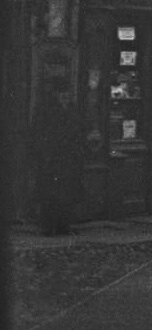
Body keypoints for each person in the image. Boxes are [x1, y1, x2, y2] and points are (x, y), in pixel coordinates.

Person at [34, 85, 87, 235]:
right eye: (62, 93)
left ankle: (64, 225)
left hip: (69, 159)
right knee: (50, 196)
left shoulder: (73, 111)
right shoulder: (47, 111)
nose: (65, 96)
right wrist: (45, 154)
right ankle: (48, 226)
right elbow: (38, 133)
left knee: (67, 196)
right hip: (52, 159)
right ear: (56, 95)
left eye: (68, 94)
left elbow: (80, 131)